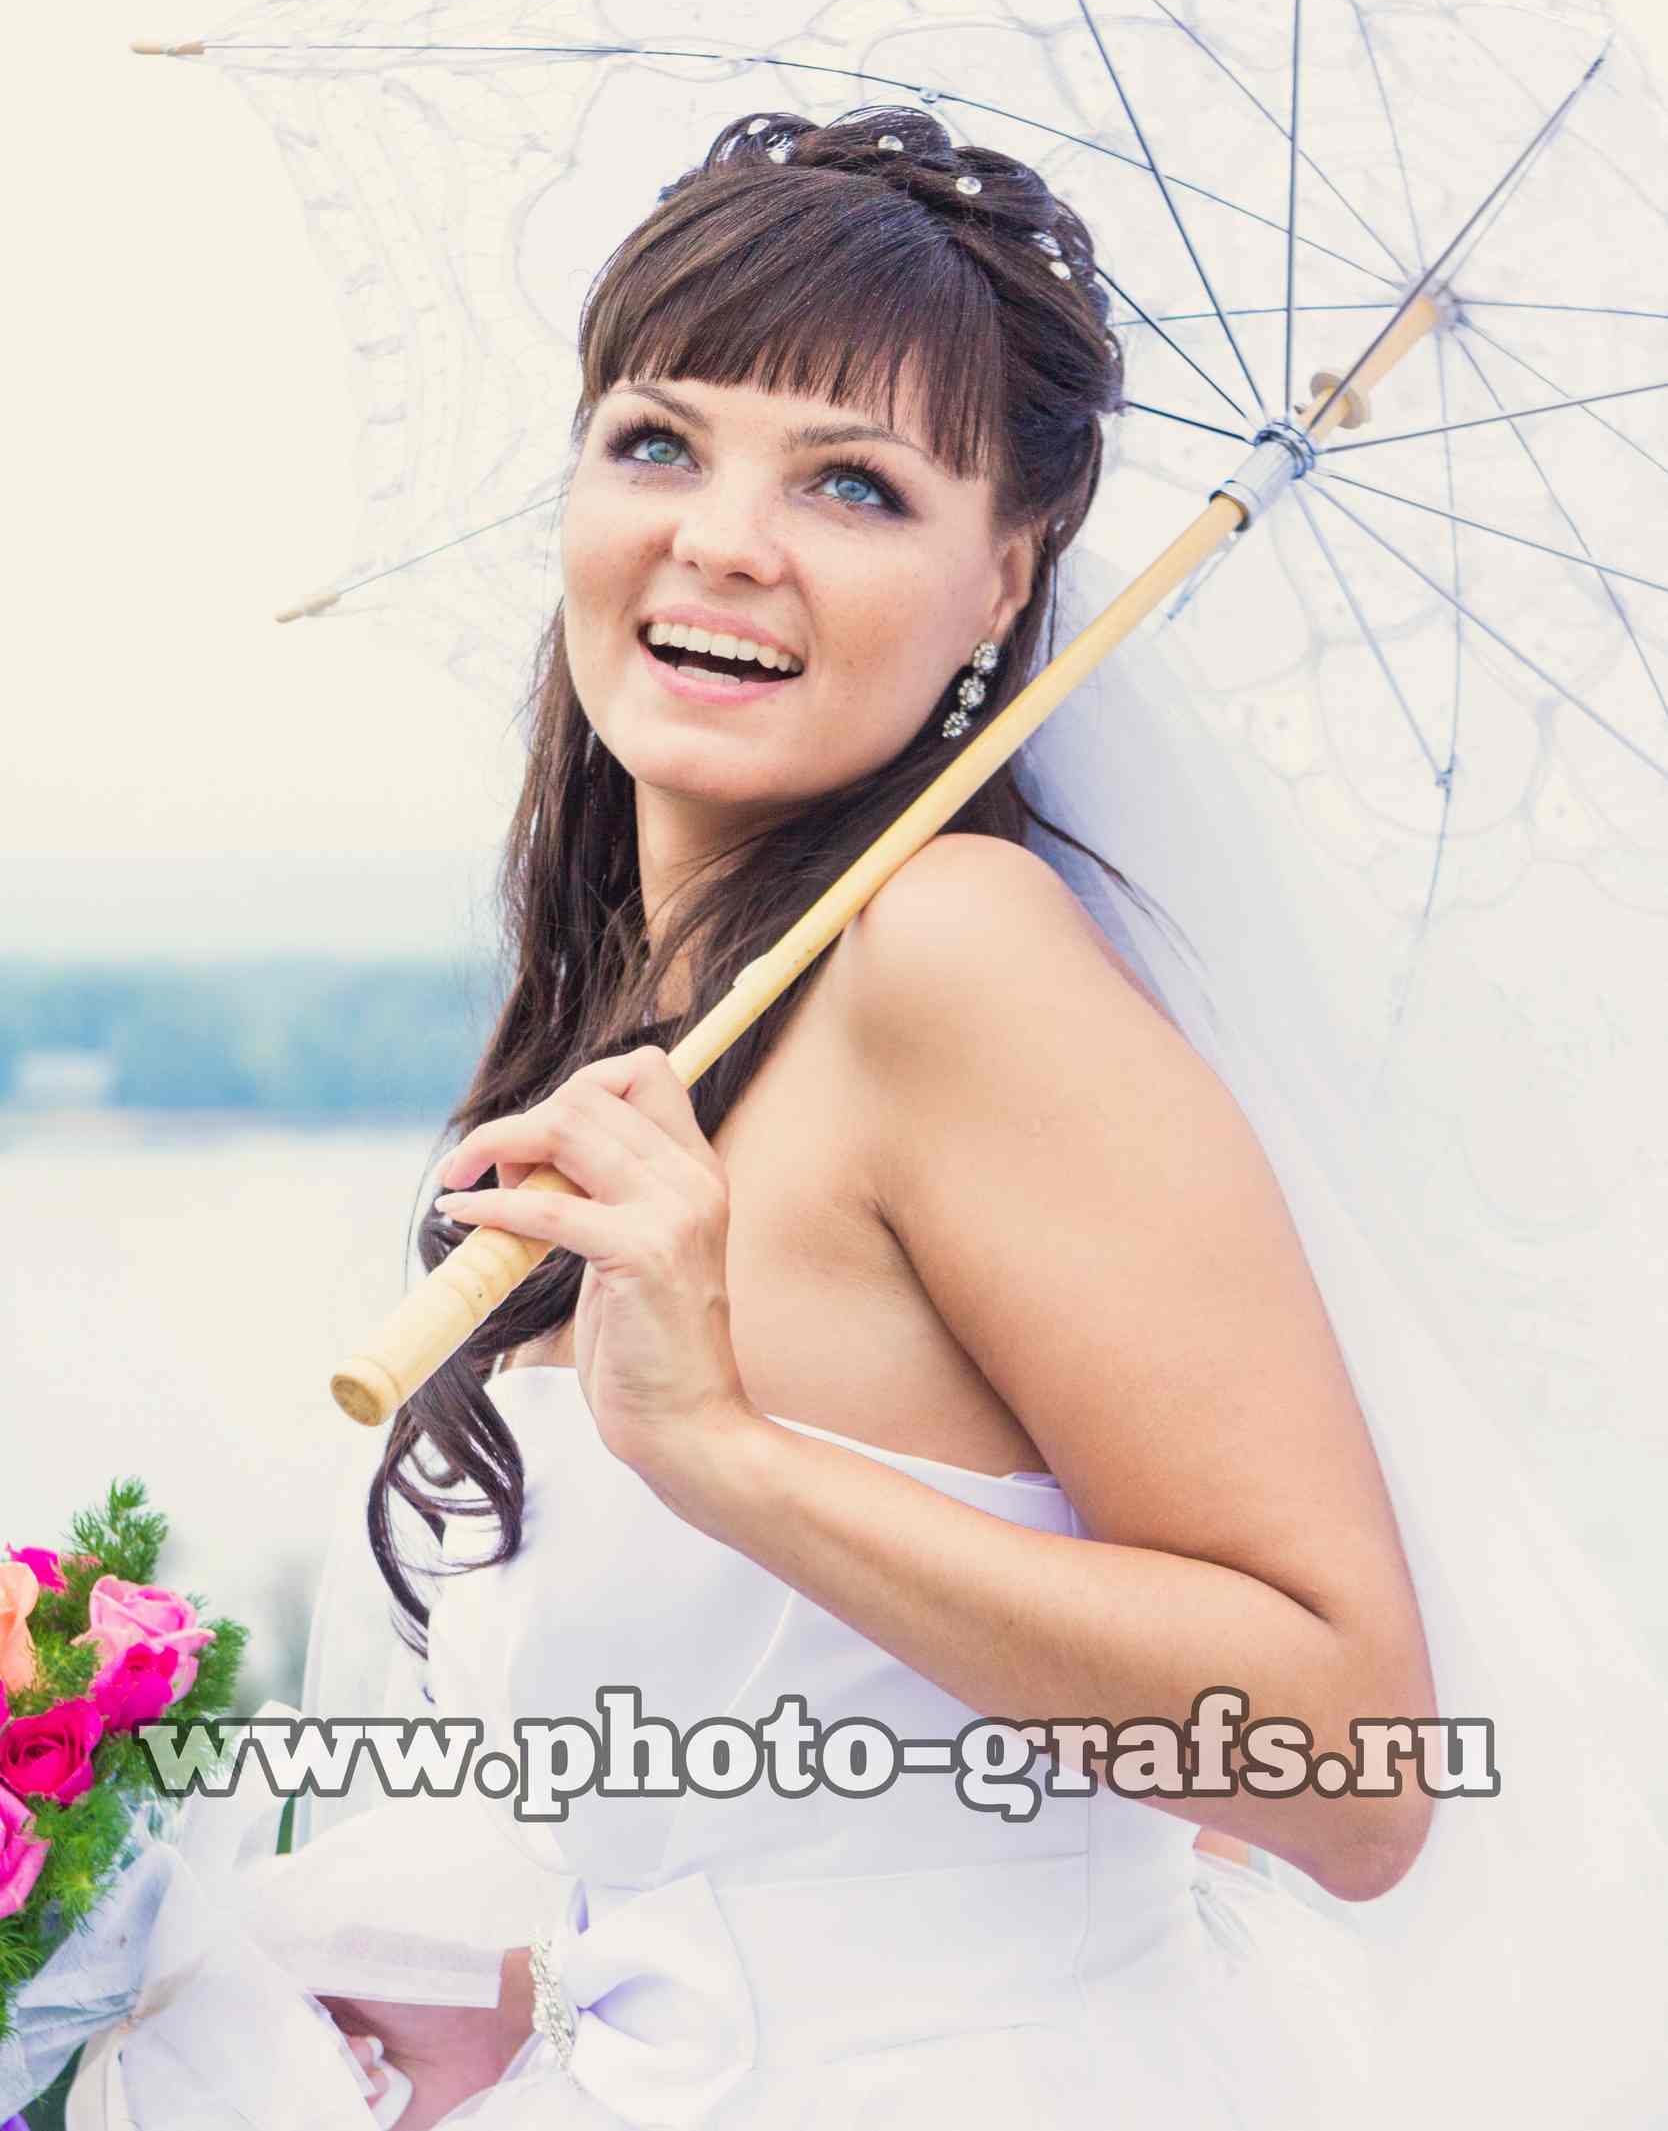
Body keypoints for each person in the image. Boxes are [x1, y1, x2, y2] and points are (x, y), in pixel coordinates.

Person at [29, 104, 1662, 2129]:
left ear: (1004, 581)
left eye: (854, 481)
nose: (726, 535)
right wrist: (529, 1999)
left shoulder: (957, 957)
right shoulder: (647, 1019)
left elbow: (1351, 1771)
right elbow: (814, 1821)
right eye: (658, 441)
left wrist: (724, 1448)